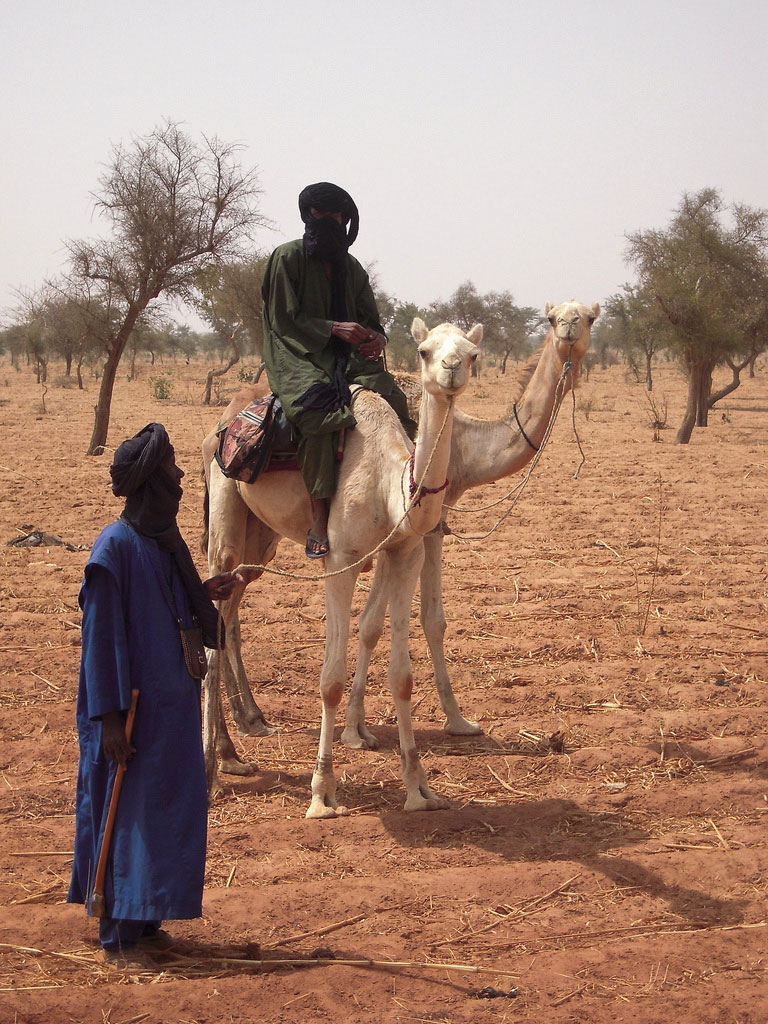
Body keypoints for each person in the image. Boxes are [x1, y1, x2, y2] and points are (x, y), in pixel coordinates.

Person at [67, 422, 241, 966]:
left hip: (170, 713)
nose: (183, 475)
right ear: (150, 484)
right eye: (171, 467)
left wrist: (203, 594)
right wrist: (111, 720)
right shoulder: (113, 550)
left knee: (165, 812)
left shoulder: (165, 545)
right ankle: (118, 932)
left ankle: (146, 923)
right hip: (131, 716)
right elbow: (100, 639)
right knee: (128, 814)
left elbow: (171, 610)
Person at [262, 181, 417, 558]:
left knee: (392, 396)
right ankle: (320, 514)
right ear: (308, 217)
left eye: (338, 217)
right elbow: (283, 320)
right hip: (296, 353)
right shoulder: (286, 258)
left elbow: (371, 321)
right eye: (324, 215)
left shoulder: (352, 268)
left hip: (347, 356)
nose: (331, 222)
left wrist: (376, 338)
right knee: (317, 409)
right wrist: (332, 328)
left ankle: (409, 493)